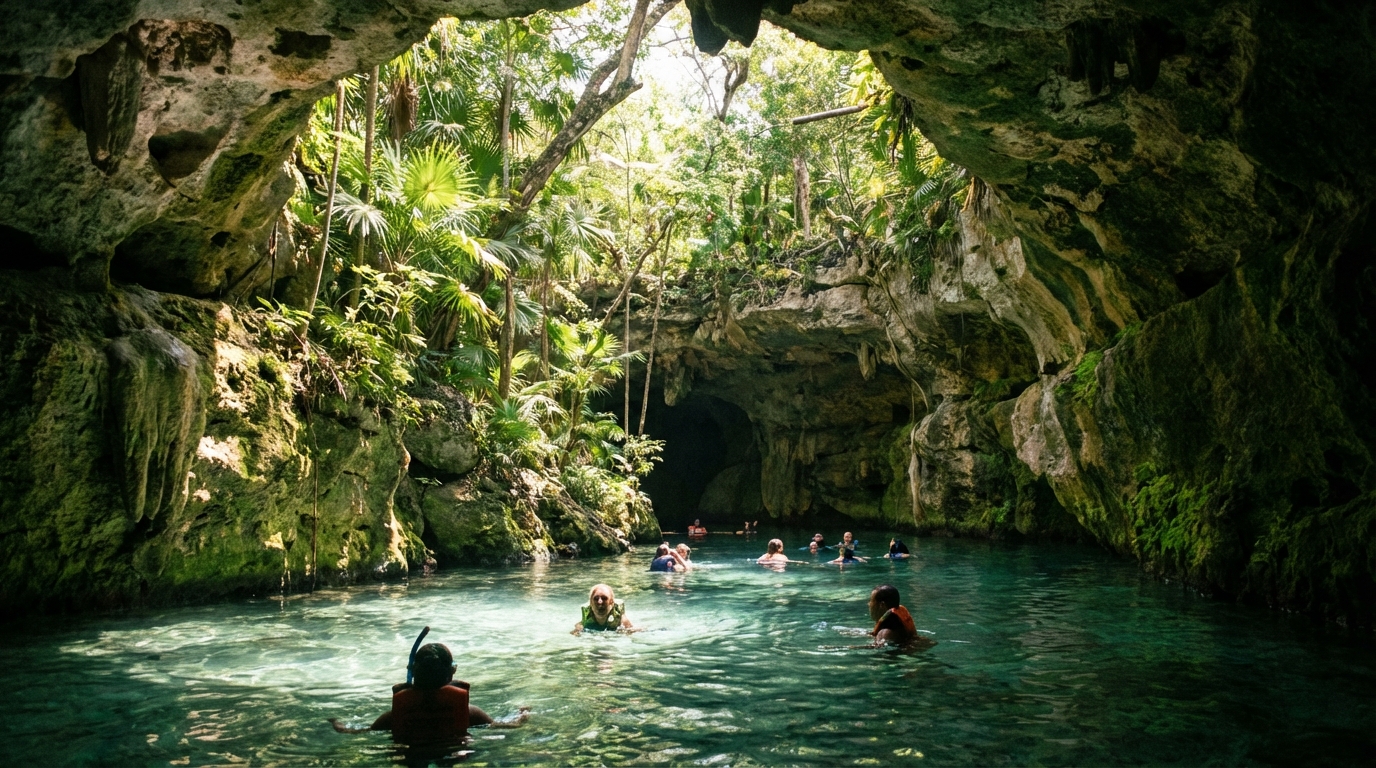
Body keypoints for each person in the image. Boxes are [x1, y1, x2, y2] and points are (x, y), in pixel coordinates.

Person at [329, 643, 528, 751]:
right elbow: (506, 726)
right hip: (453, 755)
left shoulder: (392, 717)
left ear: (412, 672)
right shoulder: (471, 714)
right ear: (452, 672)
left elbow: (356, 732)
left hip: (411, 757)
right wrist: (523, 715)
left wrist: (336, 723)